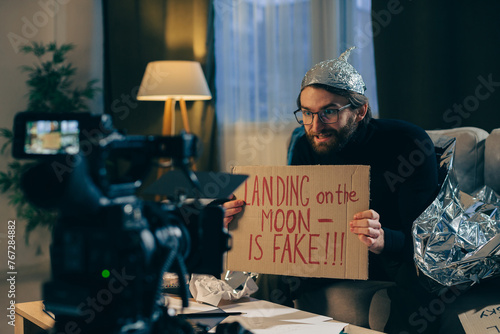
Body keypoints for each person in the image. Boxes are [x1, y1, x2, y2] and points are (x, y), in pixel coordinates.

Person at [223, 47, 440, 333]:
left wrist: (383, 238)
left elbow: (426, 242)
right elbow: (297, 219)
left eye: (328, 112)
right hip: (331, 254)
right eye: (307, 113)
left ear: (359, 110)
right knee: (274, 273)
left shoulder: (408, 142)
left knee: (422, 280)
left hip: (393, 256)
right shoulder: (304, 144)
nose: (315, 126)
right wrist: (244, 217)